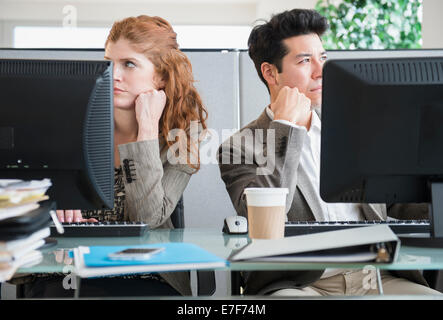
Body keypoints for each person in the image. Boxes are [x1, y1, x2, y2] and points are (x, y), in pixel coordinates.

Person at [217, 8, 441, 296]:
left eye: (321, 58)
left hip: (377, 277)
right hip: (303, 284)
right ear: (270, 72)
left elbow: (396, 202)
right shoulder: (238, 147)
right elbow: (263, 221)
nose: (321, 71)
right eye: (305, 60)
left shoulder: (356, 130)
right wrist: (286, 127)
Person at [18, 15, 207, 297]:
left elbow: (149, 216)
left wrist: (145, 132)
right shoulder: (71, 125)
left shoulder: (179, 138)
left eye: (129, 64)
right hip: (66, 270)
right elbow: (23, 203)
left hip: (144, 274)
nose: (113, 74)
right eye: (109, 62)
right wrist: (50, 214)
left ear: (161, 76)